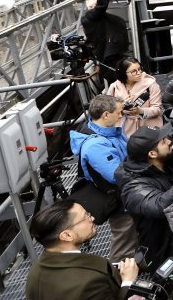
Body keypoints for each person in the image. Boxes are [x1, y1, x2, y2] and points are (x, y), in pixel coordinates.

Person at [115, 125, 173, 269]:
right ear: (152, 154)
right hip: (163, 249)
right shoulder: (133, 186)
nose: (170, 141)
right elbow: (158, 205)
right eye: (163, 141)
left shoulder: (167, 162)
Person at [69, 94, 137, 261]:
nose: (122, 115)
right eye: (119, 112)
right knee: (124, 234)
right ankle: (119, 277)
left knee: (131, 232)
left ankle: (133, 262)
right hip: (118, 198)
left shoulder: (110, 132)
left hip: (125, 193)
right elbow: (116, 175)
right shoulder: (96, 145)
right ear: (106, 114)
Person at [26, 200, 138, 300]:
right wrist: (128, 282)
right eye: (86, 217)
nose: (92, 218)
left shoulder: (34, 273)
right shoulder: (89, 282)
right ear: (67, 235)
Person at [81, 0, 130, 81]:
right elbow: (101, 6)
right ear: (90, 7)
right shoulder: (90, 17)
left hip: (113, 55)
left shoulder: (102, 17)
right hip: (108, 58)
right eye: (95, 5)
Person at [106, 57, 163, 138]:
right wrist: (121, 106)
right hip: (123, 129)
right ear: (123, 73)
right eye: (133, 71)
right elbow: (109, 109)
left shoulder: (150, 84)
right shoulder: (114, 87)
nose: (139, 73)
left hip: (147, 128)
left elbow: (157, 109)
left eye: (140, 69)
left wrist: (141, 111)